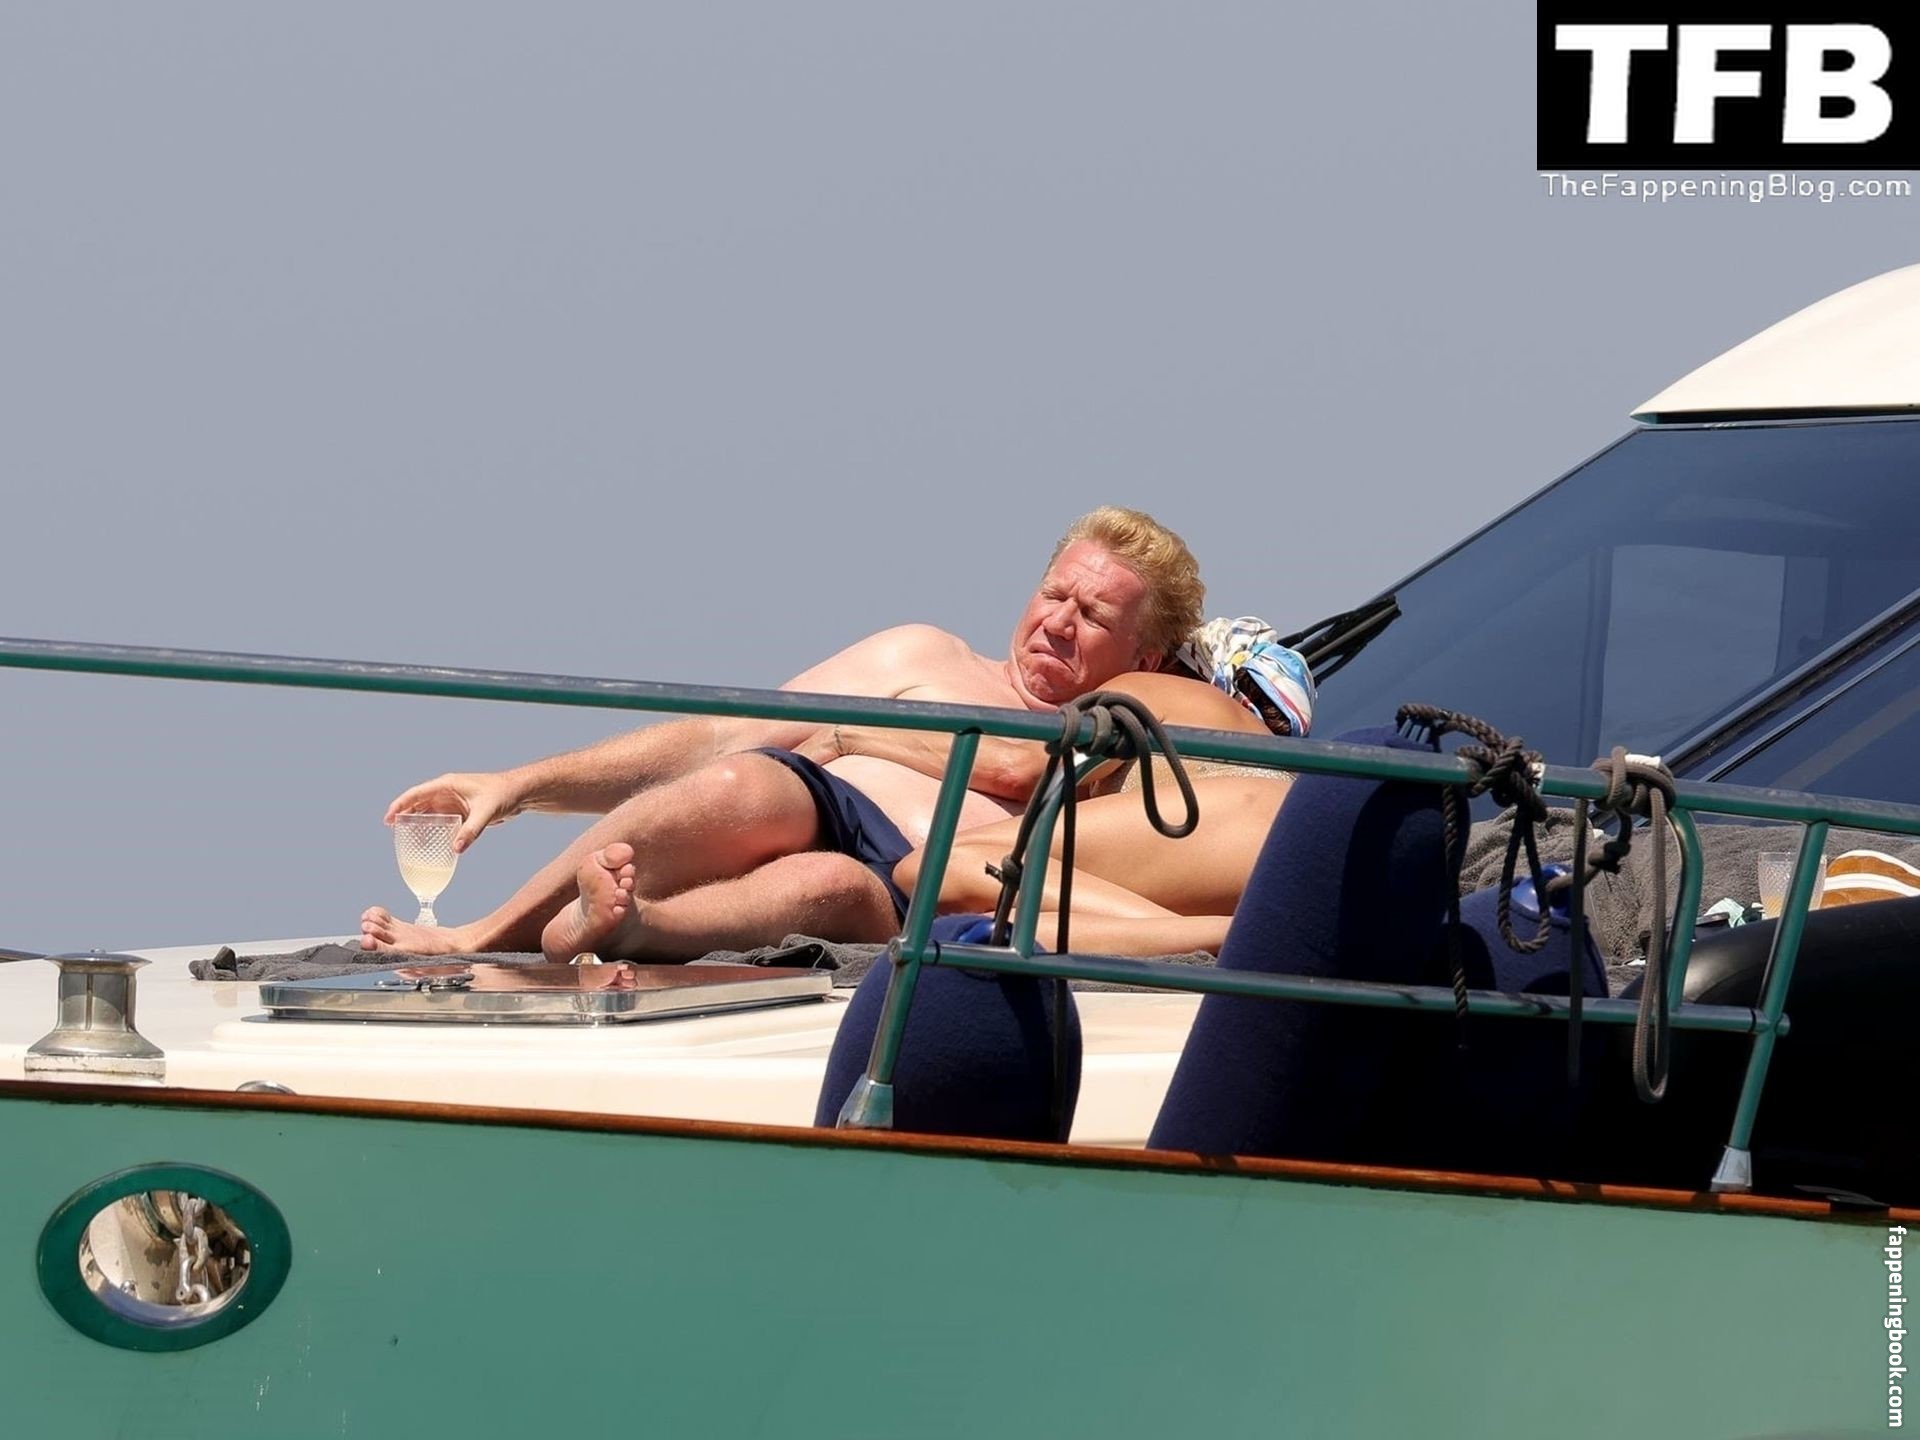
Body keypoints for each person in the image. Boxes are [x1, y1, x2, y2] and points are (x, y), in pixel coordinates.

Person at [358, 506, 1206, 961]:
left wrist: (856, 736)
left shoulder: (1134, 717)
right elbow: (720, 737)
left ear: (1144, 654)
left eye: (1093, 616)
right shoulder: (923, 655)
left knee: (824, 886)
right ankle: (481, 933)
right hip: (814, 803)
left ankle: (635, 923)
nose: (1058, 622)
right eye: (1054, 594)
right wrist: (517, 786)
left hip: (914, 888)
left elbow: (1019, 768)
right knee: (746, 779)